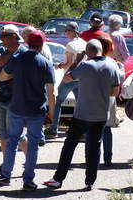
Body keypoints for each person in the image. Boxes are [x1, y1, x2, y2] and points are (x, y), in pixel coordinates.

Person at [44, 39, 122, 191]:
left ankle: (58, 179)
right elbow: (115, 92)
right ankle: (90, 181)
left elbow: (67, 78)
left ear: (88, 52)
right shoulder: (112, 66)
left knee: (69, 146)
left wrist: (78, 60)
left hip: (82, 114)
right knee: (94, 147)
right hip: (101, 114)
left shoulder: (85, 65)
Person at [0, 29, 55, 190]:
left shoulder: (18, 58)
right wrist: (52, 116)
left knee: (12, 141)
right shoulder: (46, 63)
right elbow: (51, 93)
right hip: (36, 109)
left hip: (17, 107)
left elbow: (3, 76)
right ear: (42, 45)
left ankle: (5, 175)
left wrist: (16, 76)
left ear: (27, 43)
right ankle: (28, 180)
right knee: (33, 144)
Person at [0, 24, 27, 175]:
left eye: (5, 35)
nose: (1, 38)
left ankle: (29, 164)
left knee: (18, 135)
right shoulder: (2, 51)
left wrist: (2, 61)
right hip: (0, 97)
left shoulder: (23, 53)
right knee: (2, 135)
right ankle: (6, 165)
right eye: (1, 35)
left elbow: (7, 70)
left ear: (15, 37)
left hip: (15, 100)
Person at [44, 21, 85, 139]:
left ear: (72, 32)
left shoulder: (70, 45)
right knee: (80, 104)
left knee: (57, 101)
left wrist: (59, 65)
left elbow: (70, 63)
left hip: (69, 77)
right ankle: (79, 131)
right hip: (81, 77)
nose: (66, 33)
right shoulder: (84, 43)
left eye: (67, 31)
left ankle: (53, 129)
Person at [97, 35, 123, 167]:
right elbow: (119, 81)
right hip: (109, 99)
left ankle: (92, 158)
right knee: (107, 130)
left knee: (94, 131)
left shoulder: (91, 61)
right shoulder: (113, 63)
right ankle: (108, 159)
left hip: (95, 99)